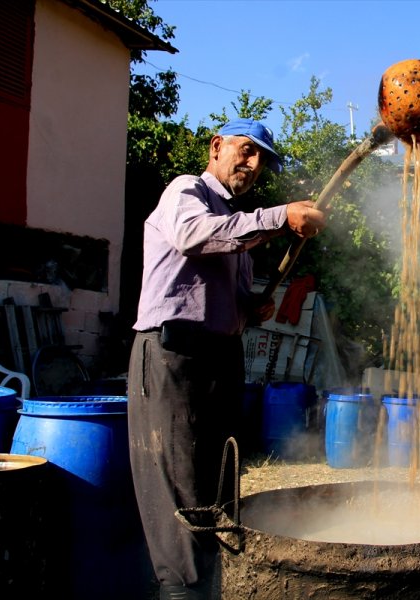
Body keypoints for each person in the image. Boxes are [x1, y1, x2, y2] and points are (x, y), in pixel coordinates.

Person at [127, 118, 326, 600]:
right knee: (181, 485)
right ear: (217, 146)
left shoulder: (236, 226)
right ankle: (181, 590)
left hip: (220, 356)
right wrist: (279, 217)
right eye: (246, 150)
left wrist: (250, 307)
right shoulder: (187, 191)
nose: (253, 165)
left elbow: (224, 290)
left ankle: (211, 583)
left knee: (218, 481)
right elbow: (193, 236)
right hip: (175, 354)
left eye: (261, 159)